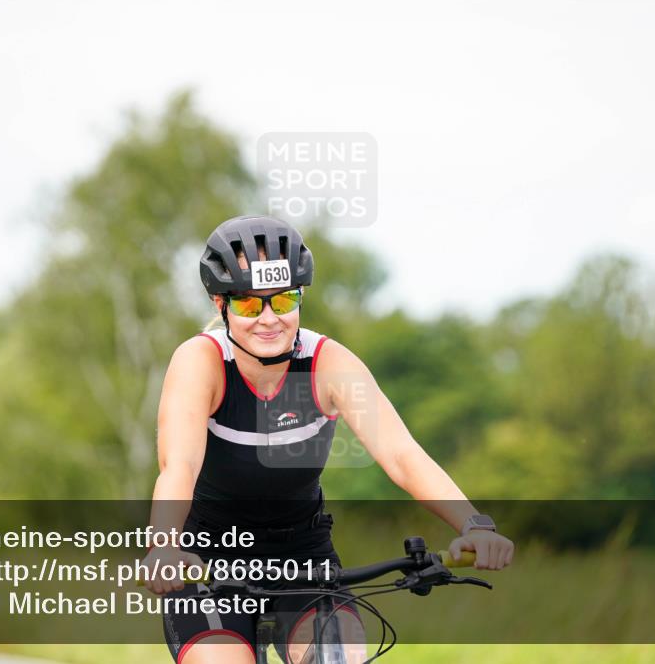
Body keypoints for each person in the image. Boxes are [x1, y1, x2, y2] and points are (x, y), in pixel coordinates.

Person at [143, 215, 514, 664]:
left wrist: (474, 524)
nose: (268, 319)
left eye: (283, 300)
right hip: (209, 560)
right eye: (248, 305)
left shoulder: (328, 364)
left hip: (303, 556)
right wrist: (164, 544)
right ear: (221, 304)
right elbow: (178, 466)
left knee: (336, 656)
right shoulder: (200, 361)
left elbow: (401, 455)